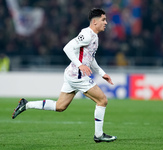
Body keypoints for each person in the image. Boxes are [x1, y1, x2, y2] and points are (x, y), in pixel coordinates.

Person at [12, 8, 117, 143]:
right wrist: (80, 65)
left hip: (72, 74)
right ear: (95, 22)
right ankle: (99, 135)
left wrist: (102, 74)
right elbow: (67, 48)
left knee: (60, 106)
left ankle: (26, 104)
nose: (106, 23)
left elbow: (90, 59)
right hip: (77, 76)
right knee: (102, 100)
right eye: (103, 20)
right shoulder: (87, 34)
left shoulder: (94, 36)